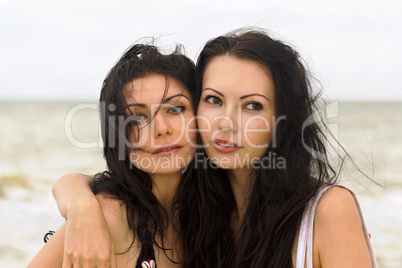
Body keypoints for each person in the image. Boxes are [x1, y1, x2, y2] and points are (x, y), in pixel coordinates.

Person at [44, 29, 378, 268]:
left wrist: (80, 200)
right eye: (214, 100)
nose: (226, 123)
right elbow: (99, 185)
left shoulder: (327, 212)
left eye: (253, 106)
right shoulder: (199, 218)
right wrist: (82, 204)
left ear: (282, 120)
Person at [27, 43, 197, 268]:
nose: (161, 128)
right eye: (137, 117)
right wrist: (82, 205)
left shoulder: (211, 213)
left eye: (175, 109)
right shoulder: (106, 217)